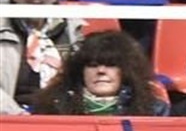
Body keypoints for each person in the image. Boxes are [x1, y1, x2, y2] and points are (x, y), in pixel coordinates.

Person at [0, 0, 84, 115]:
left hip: (61, 115)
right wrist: (18, 115)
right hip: (10, 116)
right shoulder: (2, 26)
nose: (36, 0)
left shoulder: (72, 29)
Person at [32, 30, 170, 116]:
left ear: (127, 71)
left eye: (111, 65)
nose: (101, 71)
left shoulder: (154, 110)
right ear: (80, 71)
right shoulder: (52, 107)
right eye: (92, 65)